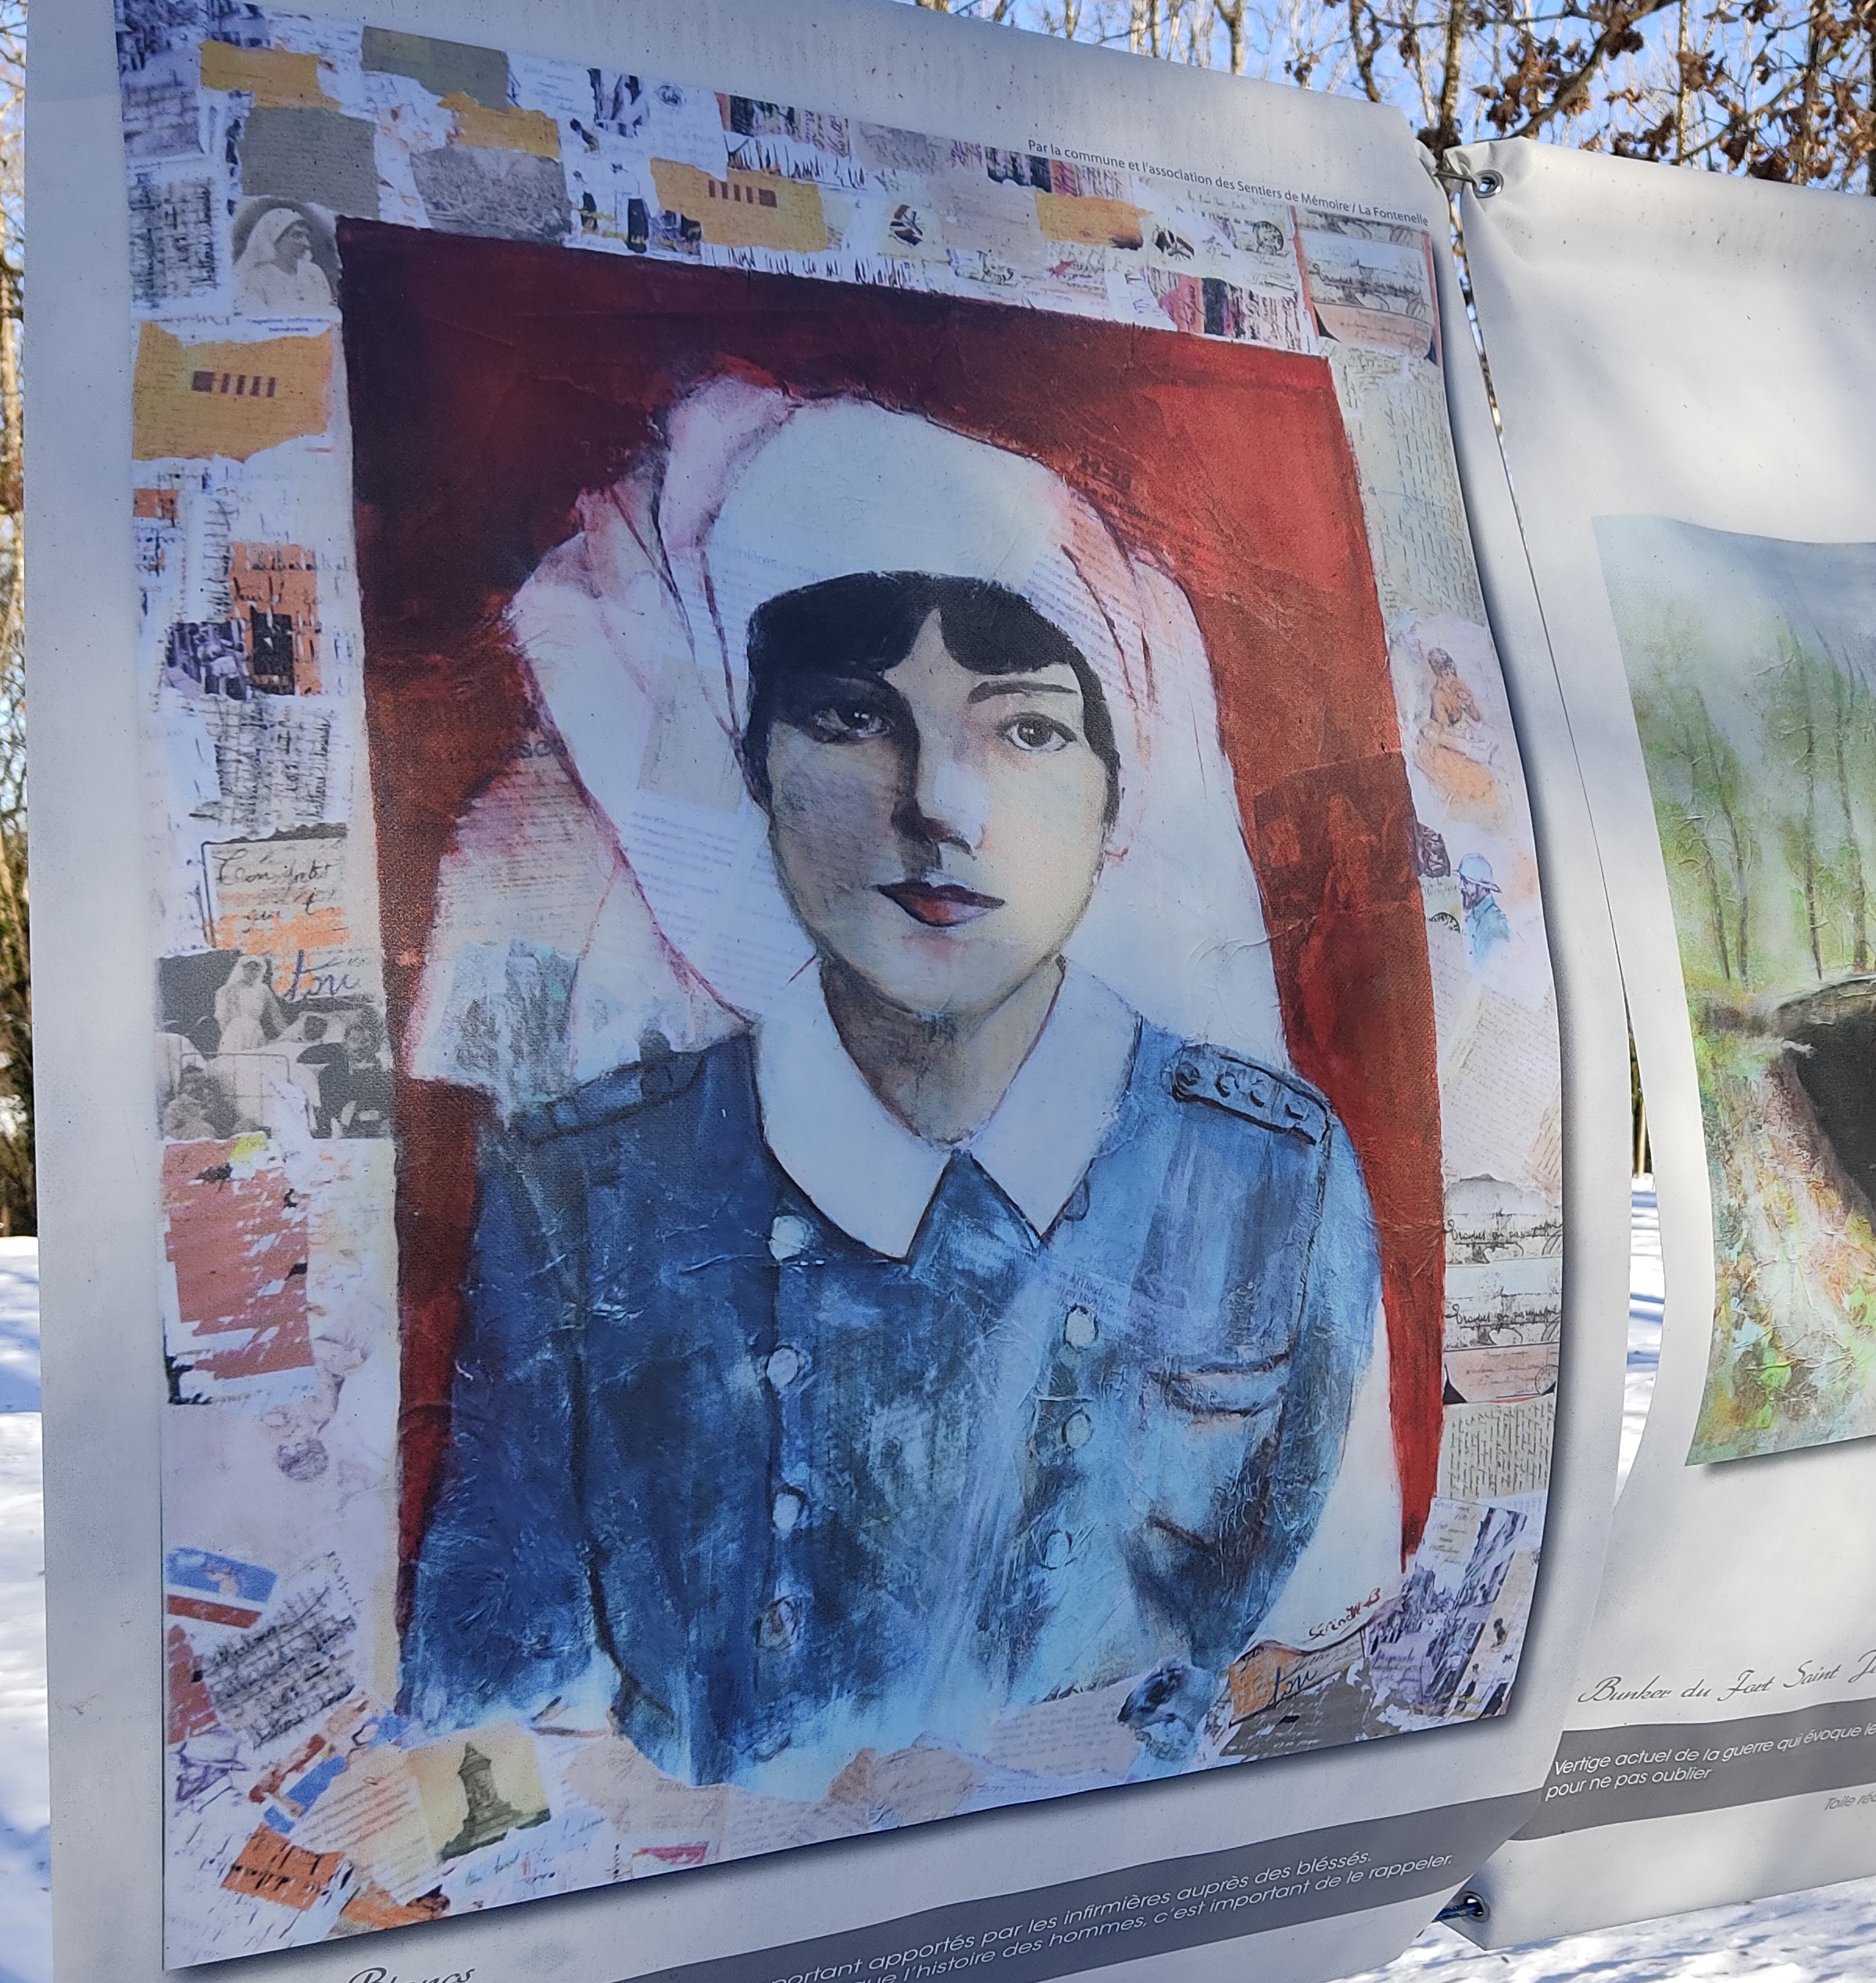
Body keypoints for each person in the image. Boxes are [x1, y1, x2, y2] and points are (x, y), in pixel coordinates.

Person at [402, 392, 1399, 1796]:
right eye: (852, 717)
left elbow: (1328, 1655)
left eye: (1028, 729)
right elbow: (490, 1736)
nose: (940, 803)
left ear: (1123, 785)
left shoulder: (1268, 1181)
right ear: (753, 764)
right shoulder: (586, 1198)